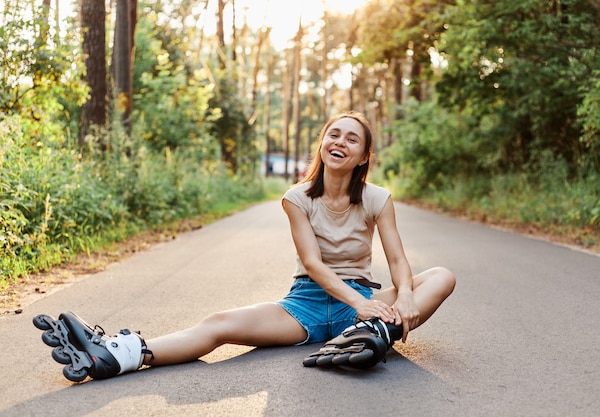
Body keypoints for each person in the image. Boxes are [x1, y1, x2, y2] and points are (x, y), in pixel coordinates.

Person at [33, 110, 456, 382]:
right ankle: (116, 355)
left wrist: (402, 301)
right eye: (333, 135)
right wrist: (361, 304)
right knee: (218, 323)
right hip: (306, 304)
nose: (339, 142)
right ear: (323, 143)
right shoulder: (298, 198)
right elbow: (312, 262)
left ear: (364, 155)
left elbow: (398, 259)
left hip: (362, 305)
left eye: (351, 139)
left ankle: (371, 335)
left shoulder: (378, 199)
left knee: (439, 277)